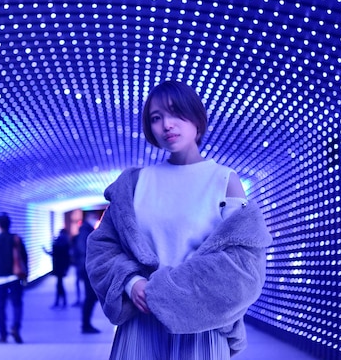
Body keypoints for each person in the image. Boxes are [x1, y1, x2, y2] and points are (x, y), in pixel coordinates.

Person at [85, 80, 273, 359]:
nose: (166, 125)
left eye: (175, 113)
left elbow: (244, 266)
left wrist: (163, 291)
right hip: (141, 322)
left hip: (201, 327)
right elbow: (102, 249)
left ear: (197, 118)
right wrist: (131, 282)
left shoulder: (224, 180)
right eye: (156, 118)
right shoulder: (135, 183)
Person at [0, 212, 28, 344]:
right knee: (17, 304)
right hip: (15, 277)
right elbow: (24, 258)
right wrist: (26, 275)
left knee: (0, 306)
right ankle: (15, 327)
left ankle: (3, 335)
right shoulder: (16, 239)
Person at [75, 212, 101, 334]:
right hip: (87, 269)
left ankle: (86, 324)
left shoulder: (86, 230)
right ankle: (85, 324)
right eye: (94, 218)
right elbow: (84, 249)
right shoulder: (85, 231)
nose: (95, 220)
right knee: (90, 297)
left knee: (91, 297)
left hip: (87, 268)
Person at [44, 228, 71, 309]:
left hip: (57, 266)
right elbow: (67, 257)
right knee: (59, 284)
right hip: (62, 267)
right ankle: (61, 302)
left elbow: (54, 254)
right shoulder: (66, 243)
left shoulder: (57, 243)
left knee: (59, 285)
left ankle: (60, 302)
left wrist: (46, 251)